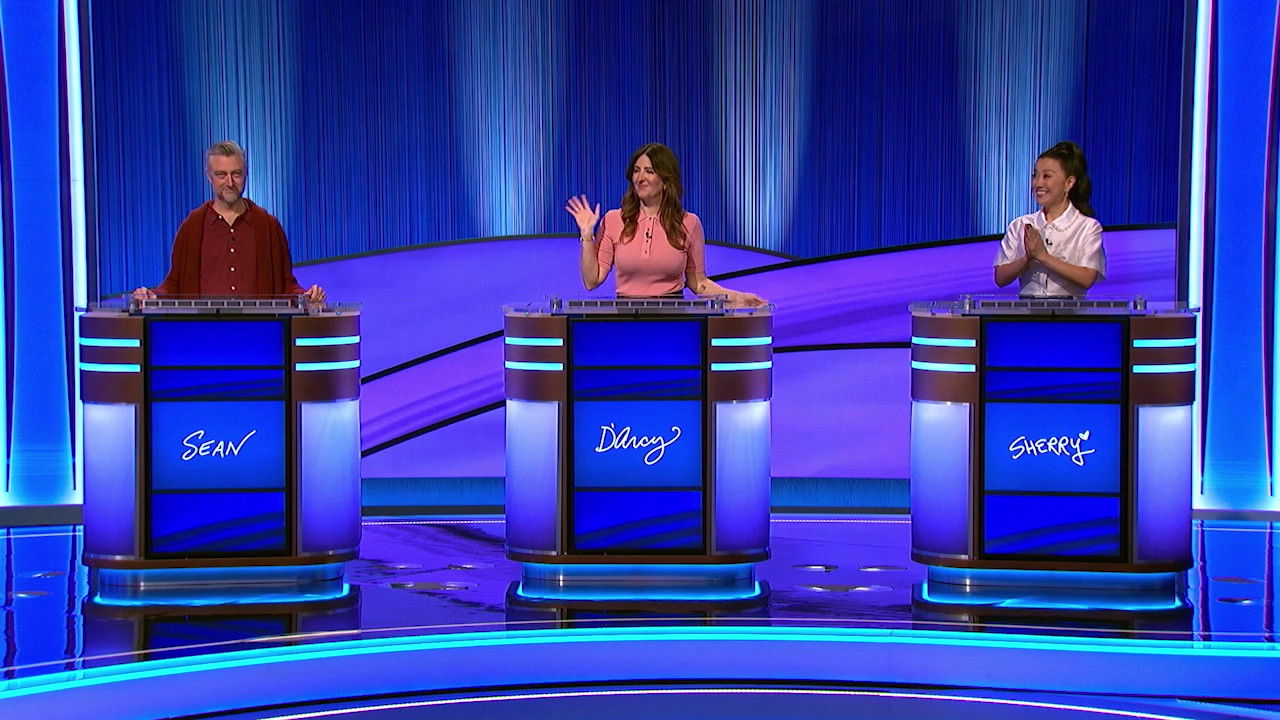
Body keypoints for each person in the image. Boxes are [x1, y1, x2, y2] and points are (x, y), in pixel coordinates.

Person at [566, 143, 765, 307]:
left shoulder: (689, 223)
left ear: (665, 181)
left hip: (673, 317)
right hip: (626, 318)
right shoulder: (613, 220)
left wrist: (737, 298)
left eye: (649, 171)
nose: (640, 178)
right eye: (636, 171)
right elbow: (591, 281)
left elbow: (698, 283)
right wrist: (587, 235)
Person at [133, 141, 324, 304]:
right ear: (209, 176)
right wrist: (152, 296)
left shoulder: (268, 226)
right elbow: (175, 284)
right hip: (204, 332)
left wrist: (306, 297)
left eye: (236, 174)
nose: (230, 182)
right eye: (221, 174)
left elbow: (286, 285)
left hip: (258, 331)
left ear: (246, 174)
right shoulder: (192, 227)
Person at [994, 141, 1105, 298]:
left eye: (1047, 176)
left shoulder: (1087, 227)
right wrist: (1026, 259)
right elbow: (1000, 278)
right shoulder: (1020, 224)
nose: (1038, 183)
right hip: (1026, 310)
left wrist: (1043, 256)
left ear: (1069, 183)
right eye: (1035, 175)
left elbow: (1087, 278)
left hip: (1070, 311)